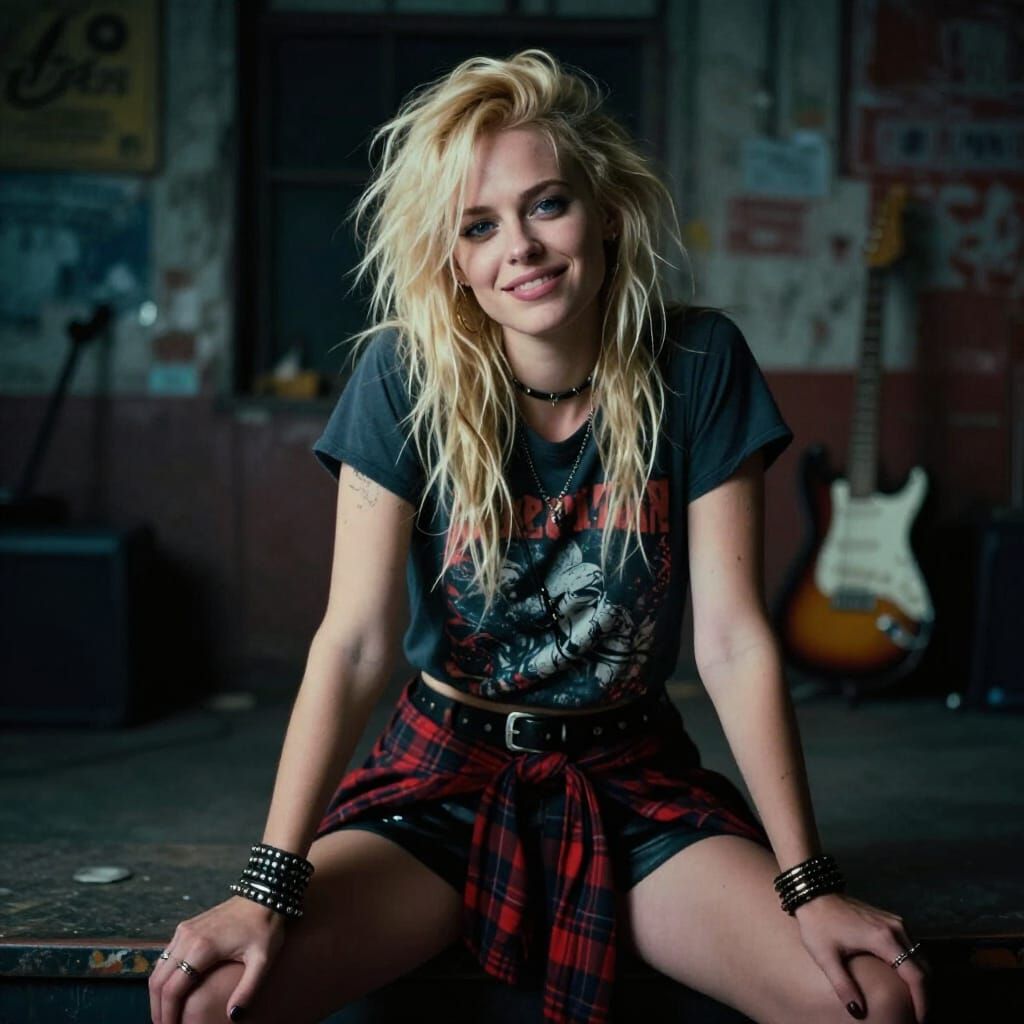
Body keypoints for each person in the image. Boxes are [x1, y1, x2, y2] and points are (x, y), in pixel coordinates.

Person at [149, 50, 929, 1024]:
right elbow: (350, 642)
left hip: (629, 778)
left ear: (605, 210)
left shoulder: (699, 363)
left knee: (870, 998)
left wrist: (808, 883)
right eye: (479, 225)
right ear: (454, 260)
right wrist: (267, 884)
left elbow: (731, 642)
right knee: (212, 1000)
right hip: (439, 778)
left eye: (545, 204)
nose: (517, 244)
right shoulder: (402, 375)